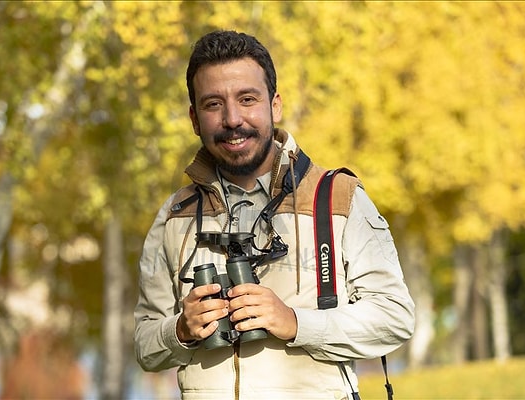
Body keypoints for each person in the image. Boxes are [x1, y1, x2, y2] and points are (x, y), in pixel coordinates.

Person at [134, 30, 415, 399]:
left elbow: (394, 317)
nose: (233, 119)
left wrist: (296, 323)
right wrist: (181, 331)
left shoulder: (337, 199)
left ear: (275, 105)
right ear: (194, 118)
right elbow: (145, 344)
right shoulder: (174, 217)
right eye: (213, 104)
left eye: (247, 99)